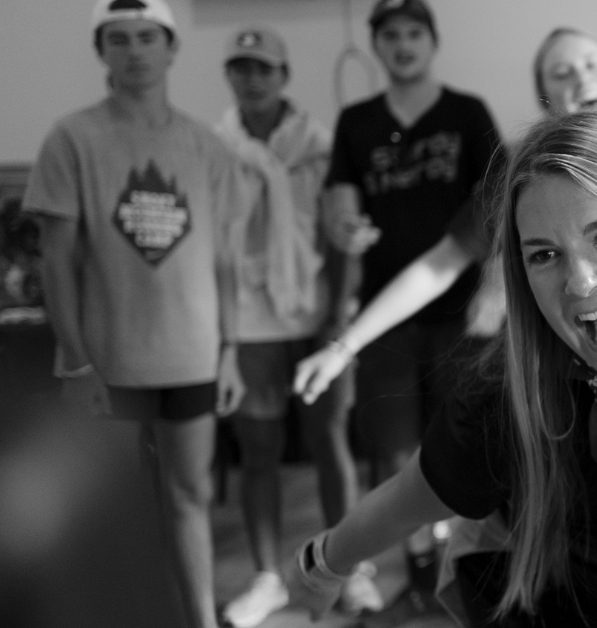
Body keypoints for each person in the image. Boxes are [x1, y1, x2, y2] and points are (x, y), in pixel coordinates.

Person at [287, 111, 597, 627]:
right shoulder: (514, 397)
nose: (580, 282)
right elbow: (405, 501)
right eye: (544, 255)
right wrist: (320, 566)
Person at [23, 1, 249, 626]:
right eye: (118, 39)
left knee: (191, 497)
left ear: (172, 48)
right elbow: (55, 260)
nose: (135, 51)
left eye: (148, 37)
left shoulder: (205, 145)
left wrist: (230, 351)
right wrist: (75, 362)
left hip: (194, 357)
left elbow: (226, 263)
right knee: (110, 515)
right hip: (109, 362)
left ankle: (199, 617)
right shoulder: (72, 139)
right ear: (101, 51)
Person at [293, 26, 597, 404]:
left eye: (592, 64)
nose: (582, 78)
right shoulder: (527, 178)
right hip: (573, 383)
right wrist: (342, 347)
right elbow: (438, 266)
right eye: (562, 73)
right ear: (546, 99)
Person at [318, 0, 501, 594]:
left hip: (464, 314)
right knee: (397, 454)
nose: (402, 44)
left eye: (413, 33)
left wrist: (496, 288)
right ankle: (421, 579)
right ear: (376, 44)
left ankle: (462, 576)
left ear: (432, 40)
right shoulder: (356, 122)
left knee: (463, 450)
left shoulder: (467, 113)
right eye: (390, 34)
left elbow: (500, 207)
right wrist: (344, 228)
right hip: (385, 313)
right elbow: (340, 208)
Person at [210, 25, 381, 626]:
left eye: (263, 68)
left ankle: (350, 570)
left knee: (330, 442)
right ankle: (265, 578)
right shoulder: (215, 147)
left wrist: (338, 320)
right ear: (228, 76)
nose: (252, 78)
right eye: (240, 67)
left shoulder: (320, 143)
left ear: (284, 77)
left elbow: (341, 237)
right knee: (257, 452)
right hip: (249, 322)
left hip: (315, 314)